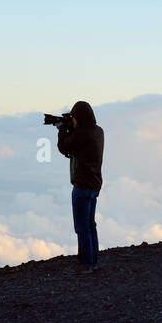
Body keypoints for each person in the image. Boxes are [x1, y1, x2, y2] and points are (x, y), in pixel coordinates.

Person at [57, 101, 104, 273]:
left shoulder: (83, 134)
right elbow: (80, 147)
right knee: (90, 224)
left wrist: (62, 129)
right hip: (94, 184)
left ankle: (85, 264)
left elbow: (64, 147)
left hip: (82, 185)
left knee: (82, 227)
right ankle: (93, 261)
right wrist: (71, 128)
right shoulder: (98, 131)